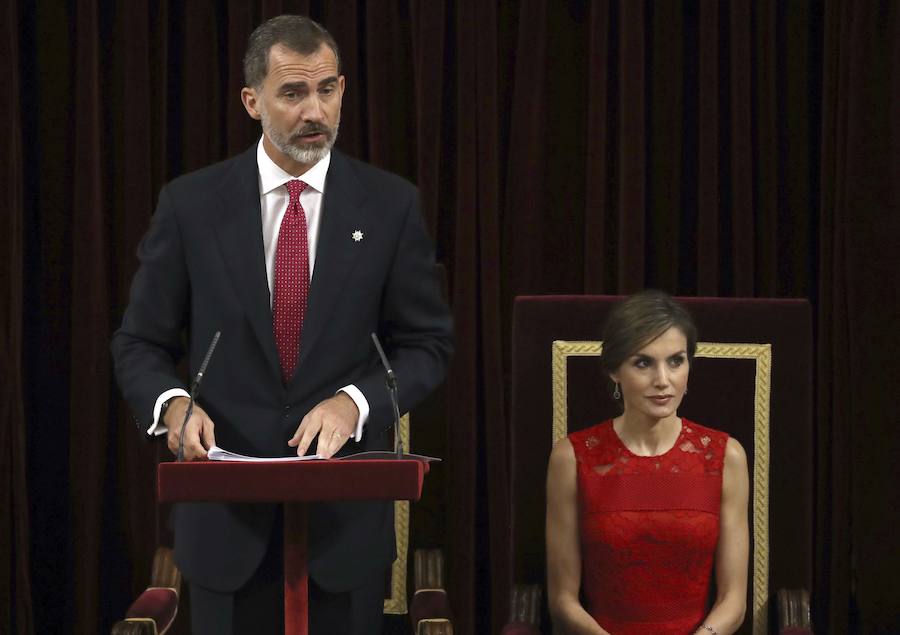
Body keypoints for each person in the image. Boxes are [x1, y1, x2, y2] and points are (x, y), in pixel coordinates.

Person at [111, 14, 453, 635]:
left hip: (344, 533)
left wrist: (356, 403)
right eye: (292, 93)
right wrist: (172, 403)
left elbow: (427, 345)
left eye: (326, 90)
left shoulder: (391, 205)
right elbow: (140, 342)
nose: (313, 111)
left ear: (344, 91)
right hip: (223, 529)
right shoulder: (191, 206)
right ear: (252, 101)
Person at [545, 290, 749, 635]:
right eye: (643, 363)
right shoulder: (572, 457)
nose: (663, 381)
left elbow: (733, 599)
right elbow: (563, 600)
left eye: (676, 361)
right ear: (614, 371)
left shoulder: (726, 456)